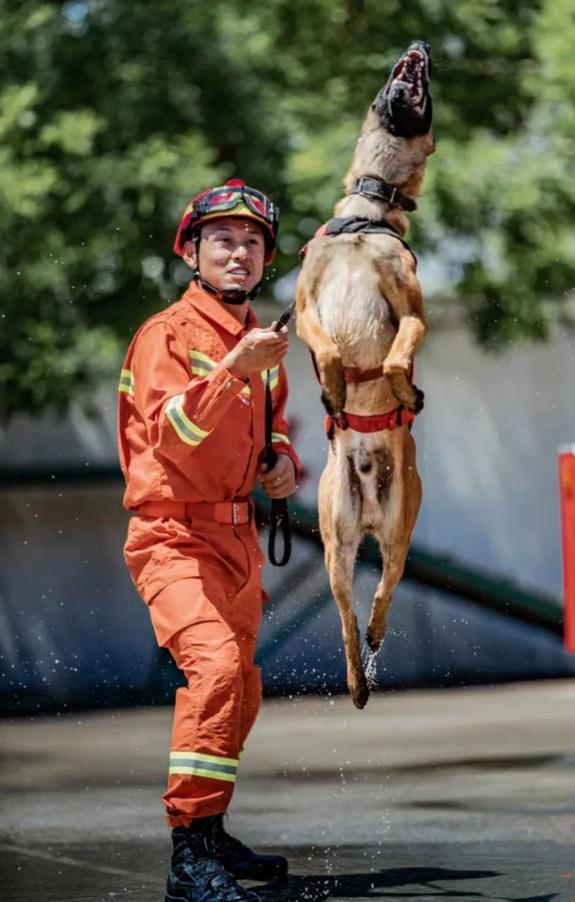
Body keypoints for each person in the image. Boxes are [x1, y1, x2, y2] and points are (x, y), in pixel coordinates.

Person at [117, 179, 300, 902]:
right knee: (216, 673)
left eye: (253, 243)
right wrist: (233, 371)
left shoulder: (261, 347)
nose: (239, 252)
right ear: (192, 252)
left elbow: (271, 429)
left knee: (241, 689)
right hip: (171, 537)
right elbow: (173, 437)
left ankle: (212, 830)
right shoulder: (165, 335)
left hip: (236, 541)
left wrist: (282, 463)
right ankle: (188, 856)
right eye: (222, 239)